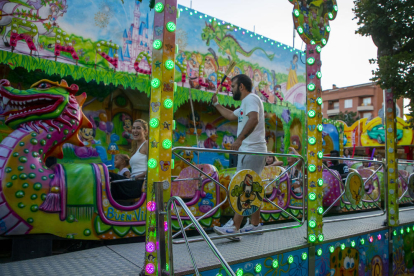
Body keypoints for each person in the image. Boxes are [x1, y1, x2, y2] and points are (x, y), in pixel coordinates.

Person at [211, 74, 266, 241]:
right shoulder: (246, 103)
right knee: (252, 186)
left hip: (252, 150)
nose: (231, 89)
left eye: (233, 86)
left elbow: (254, 119)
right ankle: (255, 225)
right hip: (253, 151)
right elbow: (230, 115)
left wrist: (240, 139)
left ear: (241, 86)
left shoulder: (251, 99)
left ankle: (235, 226)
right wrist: (216, 104)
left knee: (244, 186)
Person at [109, 119, 148, 201]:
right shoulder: (135, 148)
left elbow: (152, 169)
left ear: (145, 131)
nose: (134, 131)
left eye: (138, 128)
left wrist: (136, 177)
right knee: (105, 175)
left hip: (139, 184)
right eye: (133, 128)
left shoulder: (147, 144)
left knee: (109, 175)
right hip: (132, 182)